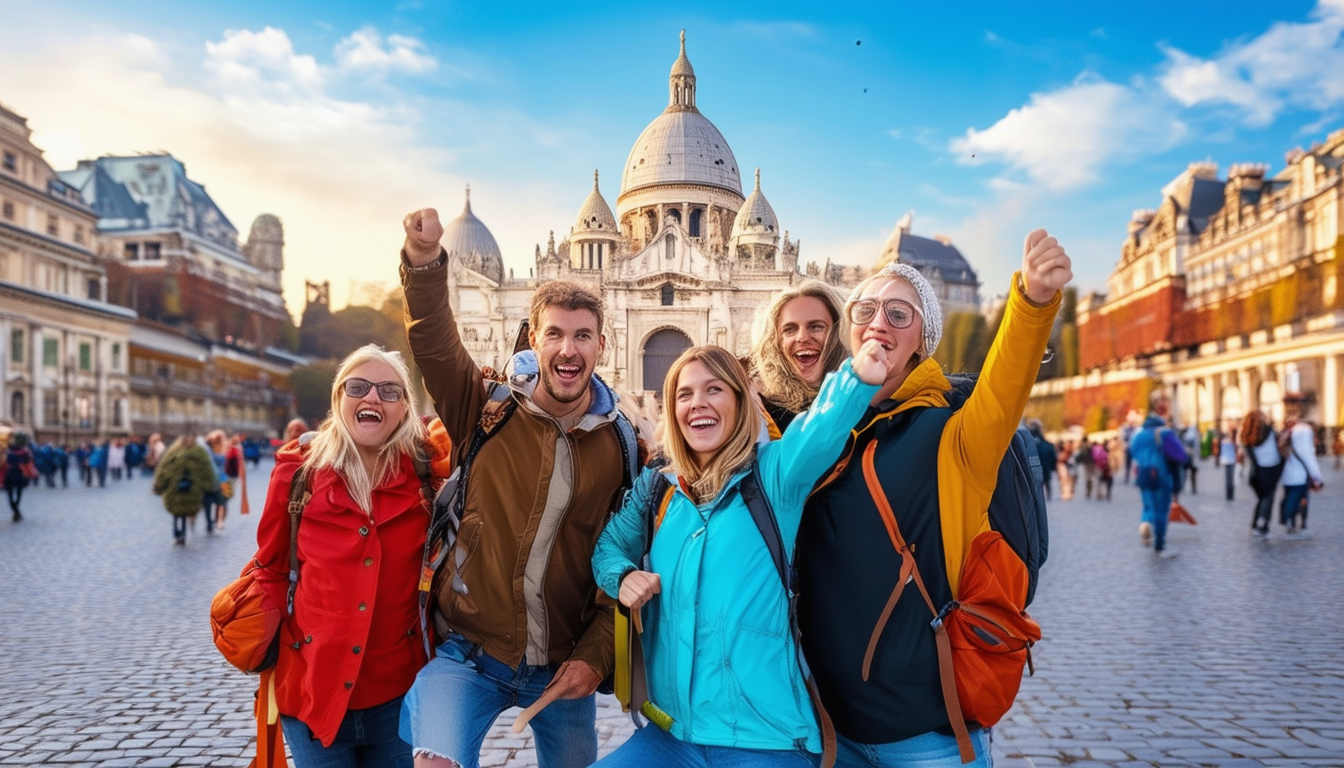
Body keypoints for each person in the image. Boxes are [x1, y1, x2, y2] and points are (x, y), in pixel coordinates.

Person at [797, 229, 1072, 767]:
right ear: (849, 331)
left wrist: (1032, 302)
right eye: (867, 310)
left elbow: (1004, 384)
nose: (879, 322)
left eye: (900, 314)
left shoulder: (956, 434)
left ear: (924, 338)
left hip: (932, 736)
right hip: (833, 731)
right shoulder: (819, 433)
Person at [398, 208, 637, 768]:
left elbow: (618, 561)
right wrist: (426, 263)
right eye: (555, 333)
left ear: (603, 343)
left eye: (582, 336)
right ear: (534, 337)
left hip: (560, 663)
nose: (568, 349)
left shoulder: (623, 447)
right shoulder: (485, 408)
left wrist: (597, 657)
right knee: (435, 763)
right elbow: (434, 345)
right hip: (467, 650)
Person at [591, 343, 887, 767]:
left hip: (765, 739)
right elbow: (608, 547)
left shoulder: (774, 476)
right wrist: (622, 576)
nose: (698, 404)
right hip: (672, 737)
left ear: (739, 399)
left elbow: (820, 430)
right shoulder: (657, 488)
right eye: (684, 393)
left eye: (714, 389)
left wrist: (856, 378)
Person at [248, 345, 450, 767]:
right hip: (310, 695)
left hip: (400, 698)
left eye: (389, 391)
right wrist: (262, 645)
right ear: (339, 399)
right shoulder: (296, 474)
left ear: (404, 409)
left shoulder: (428, 476)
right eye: (358, 387)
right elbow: (270, 569)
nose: (372, 397)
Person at [748, 281, 849, 433]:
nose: (802, 337)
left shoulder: (867, 401)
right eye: (789, 330)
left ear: (840, 333)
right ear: (776, 341)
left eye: (816, 327)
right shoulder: (756, 411)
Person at [1129, 390, 1188, 556]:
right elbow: (1180, 455)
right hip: (1161, 475)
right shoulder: (1165, 433)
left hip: (1143, 475)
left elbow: (1132, 452)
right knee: (1162, 510)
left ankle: (1146, 523)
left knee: (1148, 505)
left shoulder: (1139, 434)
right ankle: (1160, 545)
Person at [152, 430, 217, 545]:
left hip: (174, 489)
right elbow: (206, 470)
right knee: (184, 512)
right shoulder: (199, 453)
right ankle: (182, 533)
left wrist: (159, 486)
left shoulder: (172, 453)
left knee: (176, 513)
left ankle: (176, 533)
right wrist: (208, 485)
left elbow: (164, 470)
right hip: (192, 490)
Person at [1279, 396, 1324, 537]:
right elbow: (1309, 459)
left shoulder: (1289, 434)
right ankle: (1300, 525)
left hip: (1288, 475)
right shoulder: (1304, 434)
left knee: (1290, 498)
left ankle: (1290, 523)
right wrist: (1318, 477)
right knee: (1302, 500)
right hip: (1300, 476)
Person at [1240, 411, 1281, 537]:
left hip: (1254, 472)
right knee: (1268, 498)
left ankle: (1255, 524)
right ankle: (1261, 526)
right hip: (1270, 469)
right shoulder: (1269, 430)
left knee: (1262, 498)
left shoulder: (1246, 434)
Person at [4, 433, 37, 522]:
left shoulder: (7, 450)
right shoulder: (26, 452)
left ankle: (15, 510)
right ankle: (16, 510)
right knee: (18, 493)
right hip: (19, 474)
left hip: (9, 474)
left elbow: (5, 461)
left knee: (10, 494)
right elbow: (30, 462)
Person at [1028, 420, 1057, 501]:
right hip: (1045, 465)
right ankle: (1048, 495)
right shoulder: (1046, 443)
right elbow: (1052, 457)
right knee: (1047, 481)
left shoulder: (1029, 440)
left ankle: (1039, 496)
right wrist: (1053, 466)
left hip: (1034, 465)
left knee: (1036, 482)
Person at [1218, 429, 1238, 501]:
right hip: (1231, 460)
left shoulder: (1224, 441)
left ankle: (1228, 495)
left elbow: (1221, 450)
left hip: (1226, 460)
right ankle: (1230, 495)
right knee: (1231, 479)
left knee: (1228, 478)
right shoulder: (1234, 442)